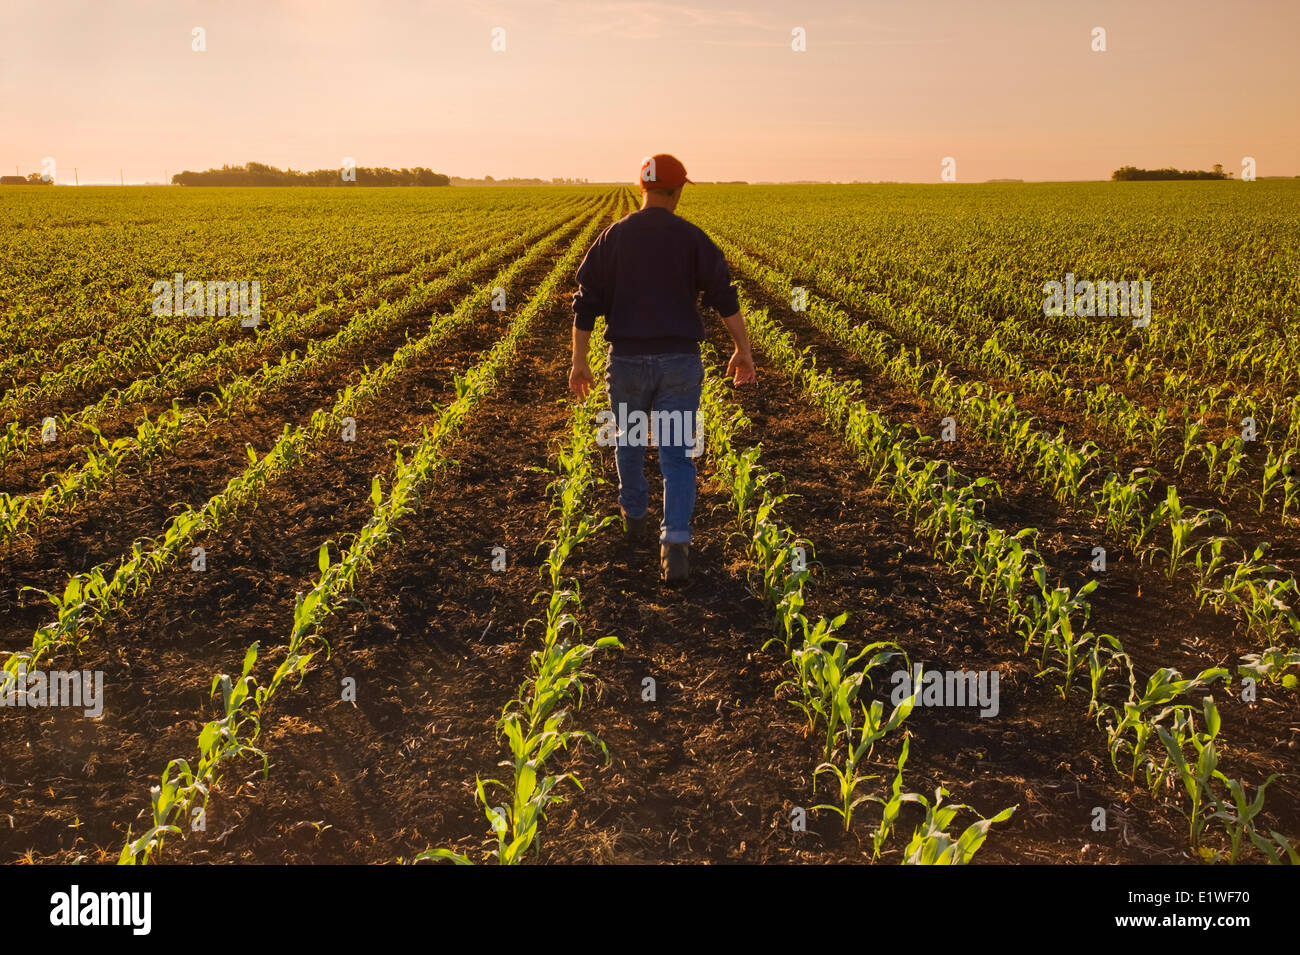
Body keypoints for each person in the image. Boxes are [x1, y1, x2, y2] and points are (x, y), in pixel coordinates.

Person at [569, 153, 757, 584]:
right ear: (677, 191)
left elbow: (586, 302)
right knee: (676, 454)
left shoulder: (613, 237)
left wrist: (579, 360)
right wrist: (742, 349)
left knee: (630, 441)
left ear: (643, 189)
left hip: (628, 362)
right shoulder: (692, 238)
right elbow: (724, 297)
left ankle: (634, 515)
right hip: (679, 362)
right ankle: (675, 544)